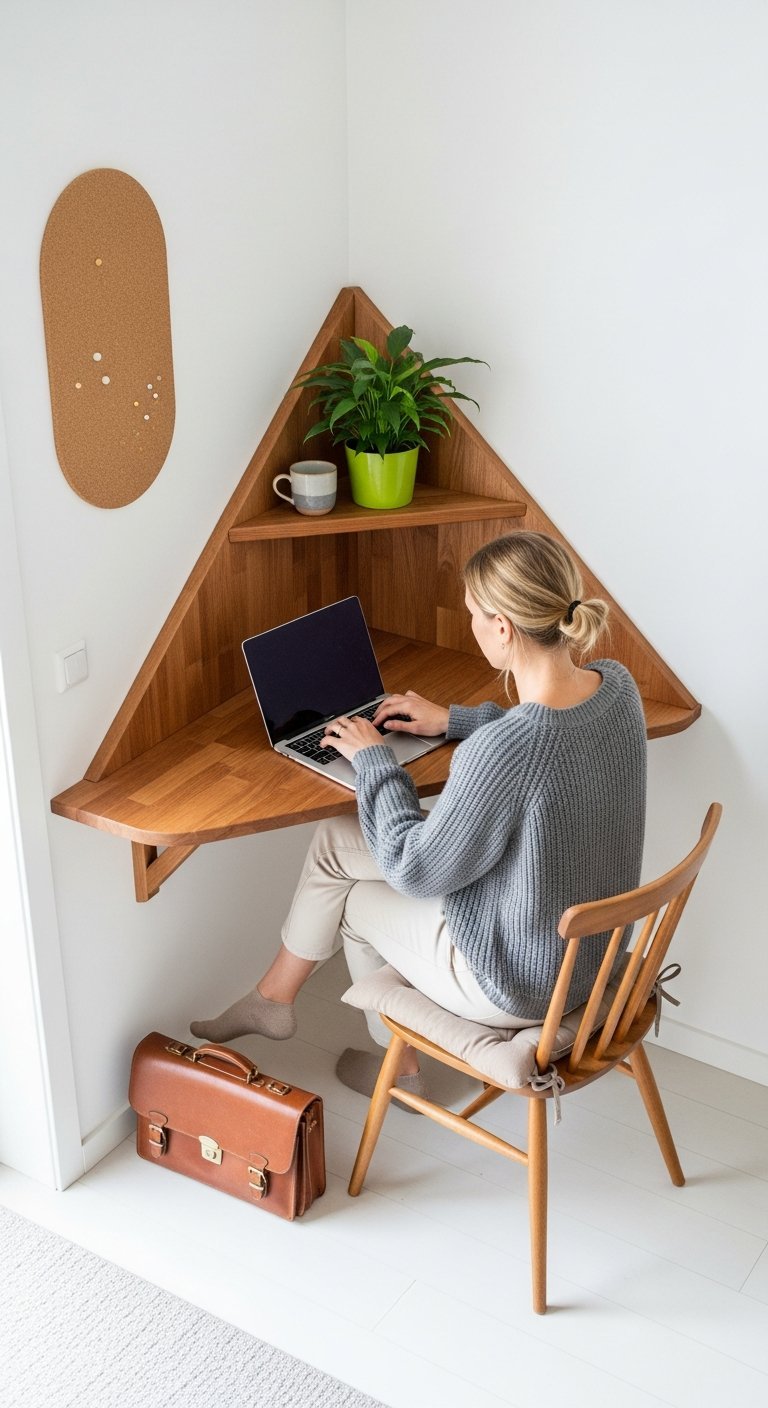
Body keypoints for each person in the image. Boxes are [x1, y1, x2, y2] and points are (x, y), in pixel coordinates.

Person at [191, 530, 647, 1101]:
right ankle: (274, 1000)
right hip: (593, 957)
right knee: (338, 835)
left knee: (355, 898)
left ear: (502, 627)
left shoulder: (504, 752)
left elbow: (414, 868)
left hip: (518, 980)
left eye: (474, 615)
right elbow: (551, 743)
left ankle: (398, 1074)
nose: (473, 626)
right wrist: (452, 719)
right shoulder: (617, 687)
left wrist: (373, 761)